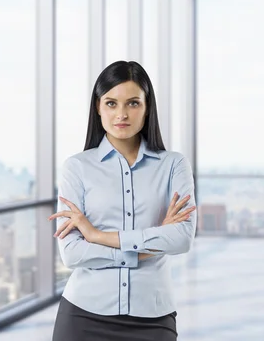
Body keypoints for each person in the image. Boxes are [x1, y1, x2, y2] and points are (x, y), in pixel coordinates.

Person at [48, 60, 197, 341]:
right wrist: (150, 244)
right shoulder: (77, 168)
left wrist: (96, 235)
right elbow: (72, 253)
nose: (122, 114)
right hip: (83, 314)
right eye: (111, 103)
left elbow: (181, 239)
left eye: (133, 103)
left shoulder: (174, 165)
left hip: (153, 316)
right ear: (98, 107)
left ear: (147, 107)